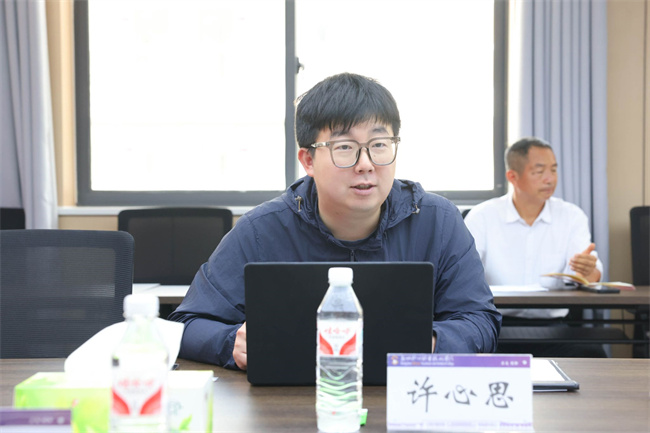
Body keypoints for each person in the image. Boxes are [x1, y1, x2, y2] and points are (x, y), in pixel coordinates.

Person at [168, 72, 501, 369]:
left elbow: (480, 320)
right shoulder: (261, 230)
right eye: (345, 147)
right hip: (290, 404)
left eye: (379, 144)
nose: (366, 163)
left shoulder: (438, 221)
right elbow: (188, 324)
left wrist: (428, 342)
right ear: (308, 160)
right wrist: (232, 343)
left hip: (407, 398)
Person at [464, 137, 606, 357]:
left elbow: (590, 274)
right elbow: (462, 274)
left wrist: (589, 271)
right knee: (465, 351)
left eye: (553, 170)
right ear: (513, 176)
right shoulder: (482, 216)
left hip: (555, 328)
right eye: (539, 171)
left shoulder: (571, 216)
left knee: (593, 354)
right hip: (494, 325)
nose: (550, 179)